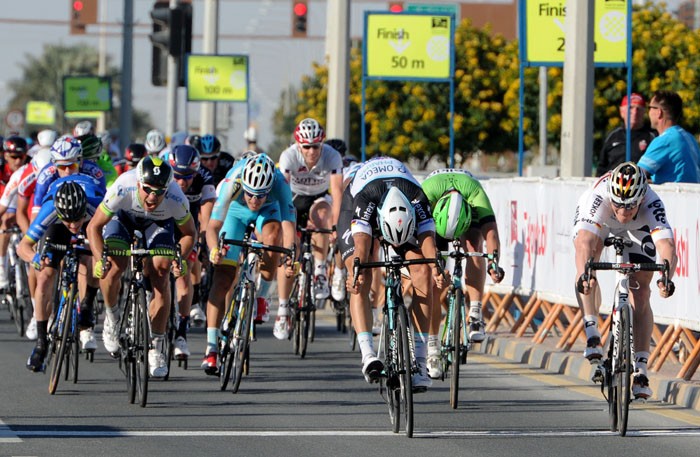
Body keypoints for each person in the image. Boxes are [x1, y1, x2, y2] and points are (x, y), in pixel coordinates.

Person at [573, 161, 677, 400]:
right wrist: (583, 276)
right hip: (601, 224)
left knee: (641, 291)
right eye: (618, 204)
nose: (622, 211)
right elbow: (583, 242)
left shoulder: (652, 202)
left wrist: (666, 278)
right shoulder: (599, 196)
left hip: (638, 229)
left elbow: (667, 246)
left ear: (641, 198)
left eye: (629, 205)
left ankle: (641, 369)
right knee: (589, 259)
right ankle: (591, 329)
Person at [86, 156, 196, 378]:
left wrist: (180, 259)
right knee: (114, 265)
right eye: (147, 190)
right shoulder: (122, 187)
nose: (153, 197)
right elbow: (94, 226)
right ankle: (112, 316)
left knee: (161, 270)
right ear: (138, 184)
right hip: (123, 219)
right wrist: (99, 259)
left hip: (158, 224)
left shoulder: (176, 197)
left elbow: (189, 234)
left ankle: (156, 344)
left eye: (159, 191)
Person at [340, 156, 444, 390]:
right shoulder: (366, 198)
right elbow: (361, 246)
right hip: (360, 205)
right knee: (360, 275)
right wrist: (355, 269)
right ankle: (367, 354)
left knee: (422, 272)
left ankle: (418, 359)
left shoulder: (418, 198)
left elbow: (428, 242)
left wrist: (436, 267)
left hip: (401, 214)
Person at [201, 153, 295, 374]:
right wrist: (215, 250)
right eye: (250, 194)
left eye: (260, 195)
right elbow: (212, 227)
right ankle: (212, 347)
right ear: (243, 184)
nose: (254, 199)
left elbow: (289, 225)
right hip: (235, 213)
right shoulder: (232, 181)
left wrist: (291, 255)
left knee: (273, 239)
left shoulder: (279, 183)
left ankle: (261, 295)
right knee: (223, 278)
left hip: (268, 213)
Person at [421, 169, 505, 379]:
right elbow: (419, 239)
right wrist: (434, 268)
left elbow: (492, 234)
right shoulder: (425, 193)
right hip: (435, 220)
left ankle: (475, 313)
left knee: (474, 245)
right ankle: (432, 346)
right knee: (431, 278)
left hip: (467, 207)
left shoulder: (476, 194)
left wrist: (494, 263)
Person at [19, 177, 105, 371]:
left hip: (91, 224)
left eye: (77, 218)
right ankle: (41, 343)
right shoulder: (50, 209)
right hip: (56, 229)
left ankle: (87, 304)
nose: (74, 224)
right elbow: (23, 247)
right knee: (44, 276)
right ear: (59, 212)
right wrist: (35, 258)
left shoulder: (96, 206)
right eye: (68, 219)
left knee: (93, 258)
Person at [274, 119, 343, 340]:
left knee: (323, 216)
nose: (312, 151)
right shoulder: (289, 156)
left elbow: (337, 193)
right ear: (298, 145)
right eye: (307, 147)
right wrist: (289, 230)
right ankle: (283, 309)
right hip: (293, 197)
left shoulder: (332, 156)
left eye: (316, 146)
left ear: (322, 144)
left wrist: (335, 226)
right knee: (288, 252)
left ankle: (320, 272)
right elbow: (281, 196)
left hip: (320, 197)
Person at [162, 144, 216, 358]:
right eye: (178, 177)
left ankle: (181, 334)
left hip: (188, 228)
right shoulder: (163, 174)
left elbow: (207, 213)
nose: (183, 183)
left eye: (188, 177)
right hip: (162, 223)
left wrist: (204, 239)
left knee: (183, 277)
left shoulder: (204, 177)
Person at [638, 90, 700, 184]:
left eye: (650, 108)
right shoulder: (690, 138)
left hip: (676, 197)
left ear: (659, 112)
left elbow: (634, 176)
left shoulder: (665, 140)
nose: (648, 112)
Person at [597, 93, 656, 176]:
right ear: (622, 111)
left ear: (644, 112)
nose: (635, 112)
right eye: (630, 108)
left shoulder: (651, 138)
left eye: (638, 109)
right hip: (613, 186)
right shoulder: (613, 137)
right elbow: (601, 168)